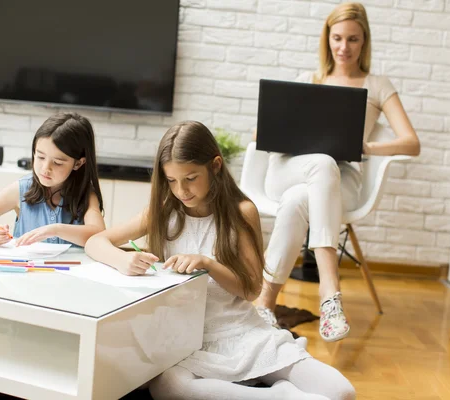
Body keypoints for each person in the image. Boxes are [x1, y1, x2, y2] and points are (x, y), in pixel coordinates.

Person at [85, 121, 355, 400]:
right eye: (172, 180)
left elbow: (251, 290)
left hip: (240, 331)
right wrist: (122, 260)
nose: (181, 191)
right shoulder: (163, 211)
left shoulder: (241, 211)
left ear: (215, 166)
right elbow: (95, 242)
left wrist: (209, 263)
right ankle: (281, 396)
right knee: (169, 386)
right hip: (186, 341)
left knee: (342, 392)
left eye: (190, 178)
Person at [254, 2, 421, 342]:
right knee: (320, 164)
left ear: (365, 41)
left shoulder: (377, 85)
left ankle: (264, 302)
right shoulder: (307, 80)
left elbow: (411, 142)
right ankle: (330, 293)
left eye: (353, 39)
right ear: (327, 39)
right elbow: (261, 136)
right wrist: (278, 131)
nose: (344, 48)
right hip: (288, 168)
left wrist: (367, 147)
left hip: (340, 179)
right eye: (338, 38)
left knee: (302, 196)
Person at [0, 112, 105, 247]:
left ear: (78, 163)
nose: (45, 168)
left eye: (57, 162)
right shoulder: (22, 189)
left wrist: (55, 230)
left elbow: (98, 235)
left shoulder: (85, 194)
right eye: (40, 157)